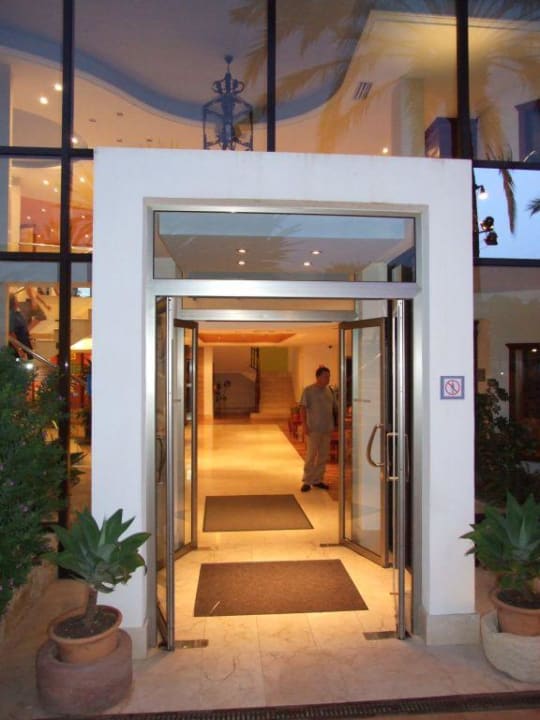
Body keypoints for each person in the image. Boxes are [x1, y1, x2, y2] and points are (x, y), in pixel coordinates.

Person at [299, 365, 337, 492]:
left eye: (329, 376)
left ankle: (318, 479)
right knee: (311, 455)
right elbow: (302, 408)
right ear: (318, 377)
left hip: (327, 429)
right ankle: (307, 480)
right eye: (326, 376)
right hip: (313, 429)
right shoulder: (308, 391)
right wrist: (304, 425)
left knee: (323, 456)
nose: (328, 379)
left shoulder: (329, 391)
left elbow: (334, 408)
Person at [8, 293, 33, 359]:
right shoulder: (11, 314)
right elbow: (11, 334)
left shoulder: (18, 313)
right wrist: (19, 349)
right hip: (18, 347)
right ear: (13, 302)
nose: (18, 301)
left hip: (25, 345)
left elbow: (23, 328)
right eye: (16, 299)